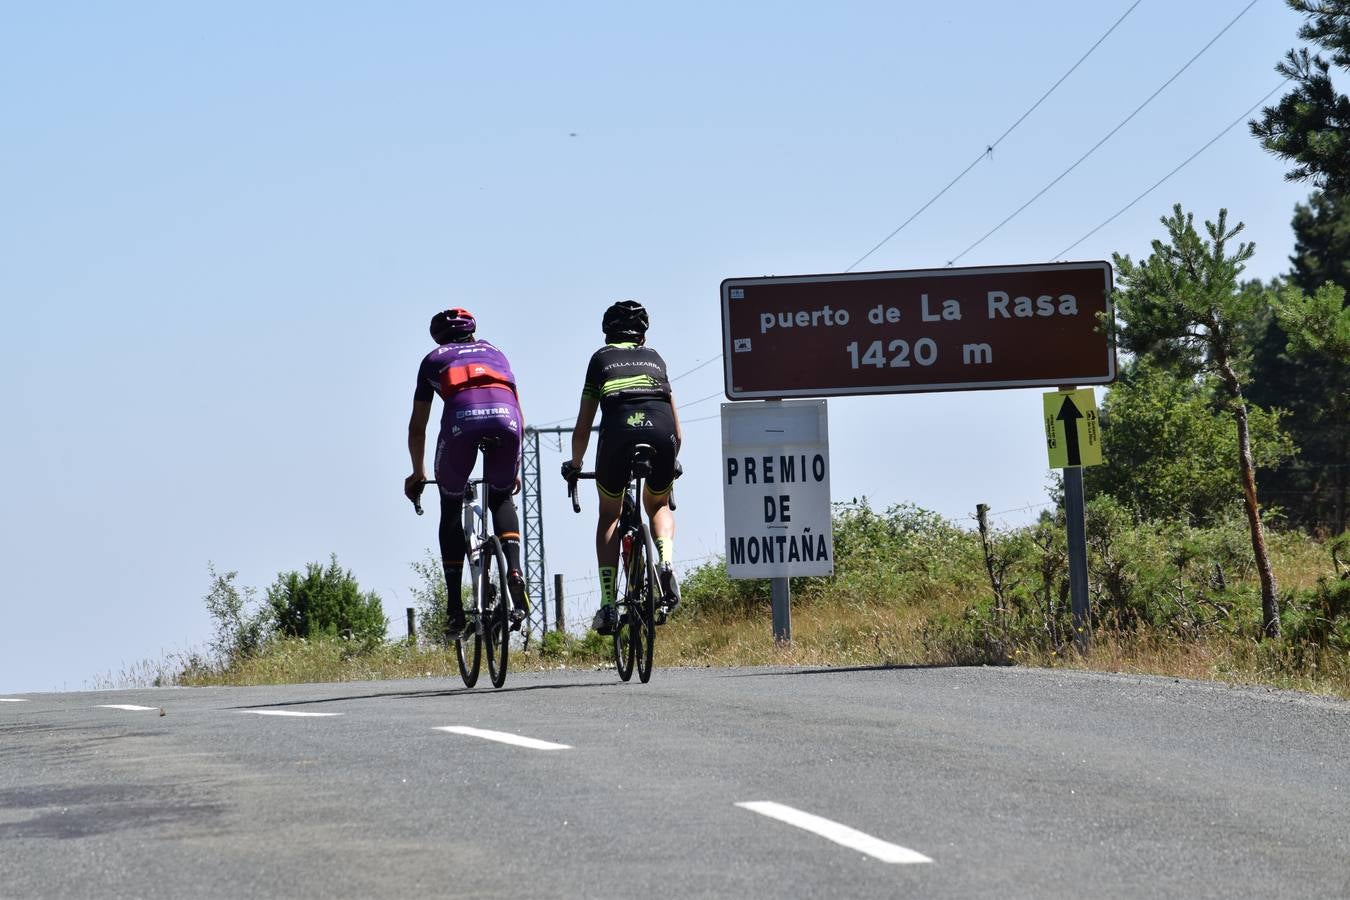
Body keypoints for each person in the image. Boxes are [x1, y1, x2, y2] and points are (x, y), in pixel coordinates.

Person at [404, 308, 529, 640]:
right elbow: (520, 411)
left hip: (463, 422)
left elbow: (418, 428)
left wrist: (417, 474)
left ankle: (454, 610)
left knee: (450, 507)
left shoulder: (433, 359)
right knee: (501, 496)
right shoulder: (495, 352)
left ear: (438, 338)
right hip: (508, 420)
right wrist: (512, 466)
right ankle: (514, 569)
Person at [562, 300, 682, 635]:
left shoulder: (600, 360)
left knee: (609, 515)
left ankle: (607, 602)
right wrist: (672, 460)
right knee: (657, 502)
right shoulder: (656, 359)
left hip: (618, 435)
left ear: (607, 334)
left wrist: (575, 465)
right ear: (642, 336)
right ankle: (667, 562)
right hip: (662, 434)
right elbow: (677, 428)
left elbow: (583, 427)